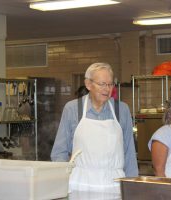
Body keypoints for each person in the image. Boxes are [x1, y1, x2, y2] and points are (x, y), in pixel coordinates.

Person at [51, 62, 138, 193]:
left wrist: (133, 188)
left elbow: (129, 153)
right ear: (88, 84)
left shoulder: (122, 110)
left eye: (110, 84)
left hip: (114, 186)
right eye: (102, 84)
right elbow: (59, 152)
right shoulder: (73, 109)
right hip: (80, 185)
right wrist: (61, 183)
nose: (107, 89)